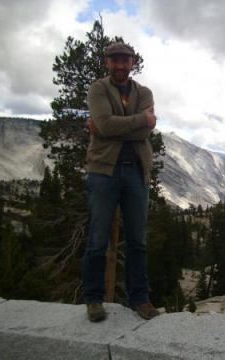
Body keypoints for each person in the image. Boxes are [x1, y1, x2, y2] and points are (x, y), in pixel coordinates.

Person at [82, 42, 159, 322]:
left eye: (125, 61)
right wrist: (141, 121)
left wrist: (106, 127)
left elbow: (134, 133)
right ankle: (93, 299)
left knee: (138, 240)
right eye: (115, 60)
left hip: (137, 171)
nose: (120, 65)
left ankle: (140, 299)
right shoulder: (98, 88)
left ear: (133, 63)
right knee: (97, 239)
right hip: (104, 171)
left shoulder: (145, 92)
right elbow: (112, 125)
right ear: (107, 62)